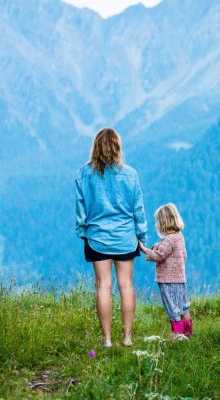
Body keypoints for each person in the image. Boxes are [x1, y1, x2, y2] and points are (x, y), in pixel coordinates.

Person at [75, 128, 148, 348]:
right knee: (126, 285)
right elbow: (138, 210)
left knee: (103, 287)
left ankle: (107, 340)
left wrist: (83, 232)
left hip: (97, 238)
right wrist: (141, 236)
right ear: (118, 146)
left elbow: (81, 210)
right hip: (126, 238)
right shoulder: (131, 174)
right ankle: (127, 337)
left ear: (95, 147)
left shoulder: (83, 174)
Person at [138, 203, 193, 339]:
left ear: (163, 223)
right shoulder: (179, 236)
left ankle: (178, 335)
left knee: (173, 309)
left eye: (157, 221)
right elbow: (183, 255)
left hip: (168, 281)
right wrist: (159, 246)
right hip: (180, 279)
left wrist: (144, 249)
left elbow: (159, 256)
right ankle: (188, 333)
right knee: (183, 306)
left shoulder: (168, 240)